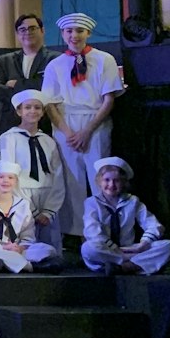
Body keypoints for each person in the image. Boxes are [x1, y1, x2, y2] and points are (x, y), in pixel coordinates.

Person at [41, 12, 124, 236]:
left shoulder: (104, 59)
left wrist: (87, 131)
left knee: (101, 177)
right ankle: (77, 232)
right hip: (65, 123)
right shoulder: (55, 65)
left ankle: (104, 230)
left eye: (79, 31)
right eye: (69, 31)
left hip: (95, 122)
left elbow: (109, 98)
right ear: (63, 34)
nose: (74, 35)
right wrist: (68, 132)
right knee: (72, 180)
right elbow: (49, 103)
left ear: (88, 33)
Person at [81, 157, 170, 275]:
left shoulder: (132, 201)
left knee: (168, 246)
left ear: (124, 182)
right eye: (107, 180)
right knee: (88, 248)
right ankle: (135, 264)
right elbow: (92, 231)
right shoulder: (92, 203)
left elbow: (154, 225)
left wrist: (142, 245)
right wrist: (117, 251)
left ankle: (122, 268)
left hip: (129, 249)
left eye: (117, 180)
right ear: (99, 182)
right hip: (108, 249)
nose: (111, 184)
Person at [0, 89, 64, 248]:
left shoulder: (48, 141)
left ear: (42, 113)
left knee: (49, 246)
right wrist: (30, 208)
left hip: (47, 195)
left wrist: (49, 210)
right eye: (27, 107)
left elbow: (58, 175)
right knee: (24, 242)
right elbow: (8, 172)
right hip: (21, 194)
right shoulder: (9, 138)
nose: (32, 111)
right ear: (19, 111)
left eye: (37, 107)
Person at [0, 161, 60, 273]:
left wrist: (20, 248)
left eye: (10, 177)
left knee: (48, 249)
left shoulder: (23, 204)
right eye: (1, 177)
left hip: (17, 248)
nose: (6, 181)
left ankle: (8, 264)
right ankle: (30, 267)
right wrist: (3, 247)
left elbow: (28, 234)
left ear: (16, 181)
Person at [0, 13, 59, 137]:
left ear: (42, 31)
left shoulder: (55, 59)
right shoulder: (5, 60)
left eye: (32, 28)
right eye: (22, 29)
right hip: (10, 124)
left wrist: (16, 84)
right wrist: (35, 86)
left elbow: (51, 90)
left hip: (44, 125)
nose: (27, 32)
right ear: (17, 34)